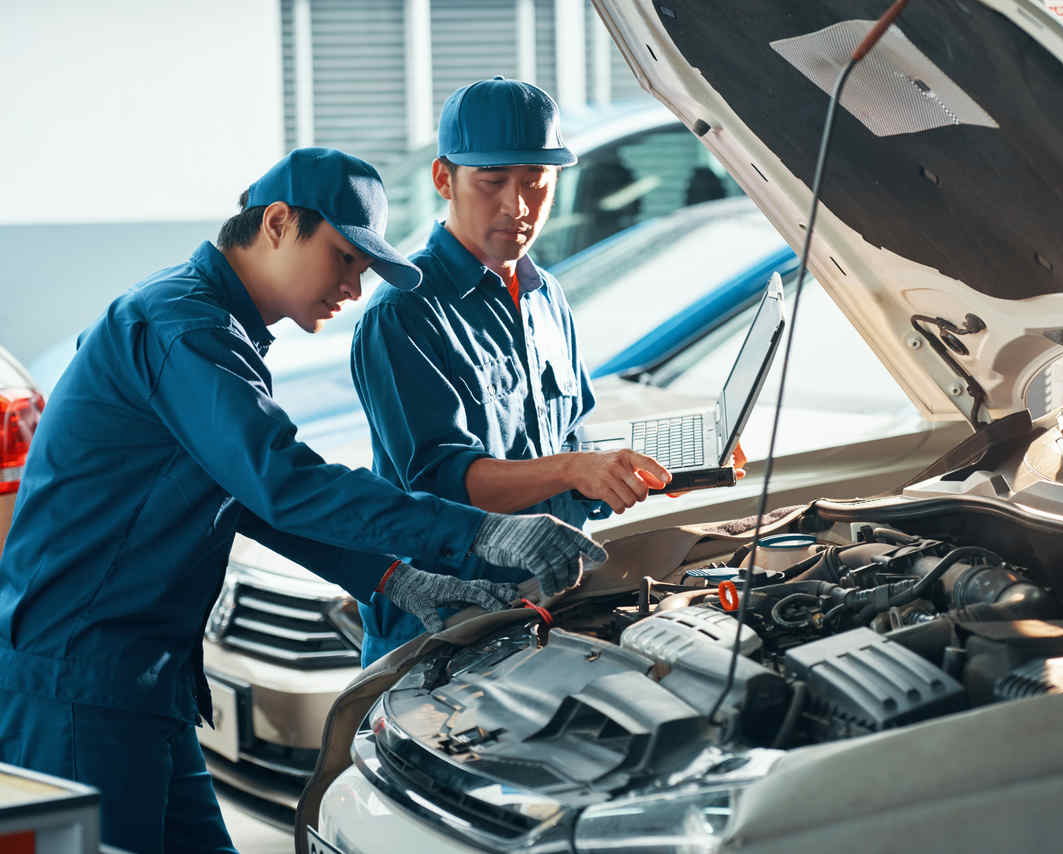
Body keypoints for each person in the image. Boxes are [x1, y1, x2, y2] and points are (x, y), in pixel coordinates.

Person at [0, 147, 605, 854]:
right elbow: (282, 481)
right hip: (79, 686)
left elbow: (245, 495)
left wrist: (389, 576)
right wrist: (483, 534)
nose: (354, 286)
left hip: (140, 681)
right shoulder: (183, 329)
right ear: (280, 223)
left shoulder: (205, 324)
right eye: (345, 258)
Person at [350, 78, 745, 665]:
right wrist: (576, 468)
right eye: (493, 184)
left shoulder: (546, 297)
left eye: (536, 184)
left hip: (545, 602)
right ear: (443, 179)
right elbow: (441, 480)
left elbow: (565, 444)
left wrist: (657, 469)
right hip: (448, 624)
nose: (518, 207)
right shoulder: (403, 313)